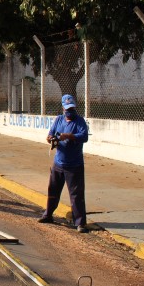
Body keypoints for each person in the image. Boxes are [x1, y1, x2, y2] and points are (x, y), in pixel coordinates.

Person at [38, 94, 90, 233]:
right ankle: (48, 214)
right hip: (58, 163)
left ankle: (80, 223)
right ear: (63, 108)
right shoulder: (59, 120)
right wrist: (50, 139)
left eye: (72, 108)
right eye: (67, 108)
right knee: (53, 190)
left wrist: (69, 136)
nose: (70, 110)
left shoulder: (80, 121)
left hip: (74, 165)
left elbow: (84, 137)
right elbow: (50, 134)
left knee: (76, 195)